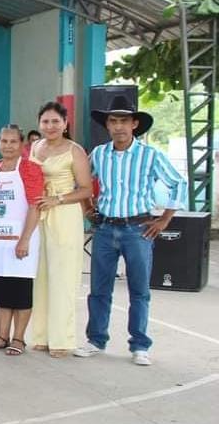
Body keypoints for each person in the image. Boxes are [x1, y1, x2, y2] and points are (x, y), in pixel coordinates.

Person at [77, 95, 187, 366]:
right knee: (99, 289)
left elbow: (178, 183)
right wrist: (87, 208)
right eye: (113, 121)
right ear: (107, 125)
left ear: (134, 124)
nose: (118, 127)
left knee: (139, 290)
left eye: (124, 121)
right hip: (105, 228)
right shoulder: (99, 154)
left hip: (138, 229)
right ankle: (96, 339)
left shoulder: (150, 155)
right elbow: (82, 182)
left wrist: (164, 220)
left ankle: (139, 345)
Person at [29, 101, 92, 358]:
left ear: (65, 124)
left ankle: (62, 340)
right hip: (38, 214)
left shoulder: (75, 151)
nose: (50, 126)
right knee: (40, 276)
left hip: (64, 215)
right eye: (45, 121)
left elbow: (86, 189)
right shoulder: (35, 147)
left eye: (56, 121)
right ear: (39, 123)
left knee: (63, 278)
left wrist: (58, 199)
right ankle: (41, 336)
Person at [0, 125, 44, 356]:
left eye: (13, 142)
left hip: (20, 239)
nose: (8, 146)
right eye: (4, 141)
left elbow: (35, 206)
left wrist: (24, 240)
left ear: (22, 144)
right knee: (1, 289)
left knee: (20, 291)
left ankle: (18, 339)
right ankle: (1, 335)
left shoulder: (30, 168)